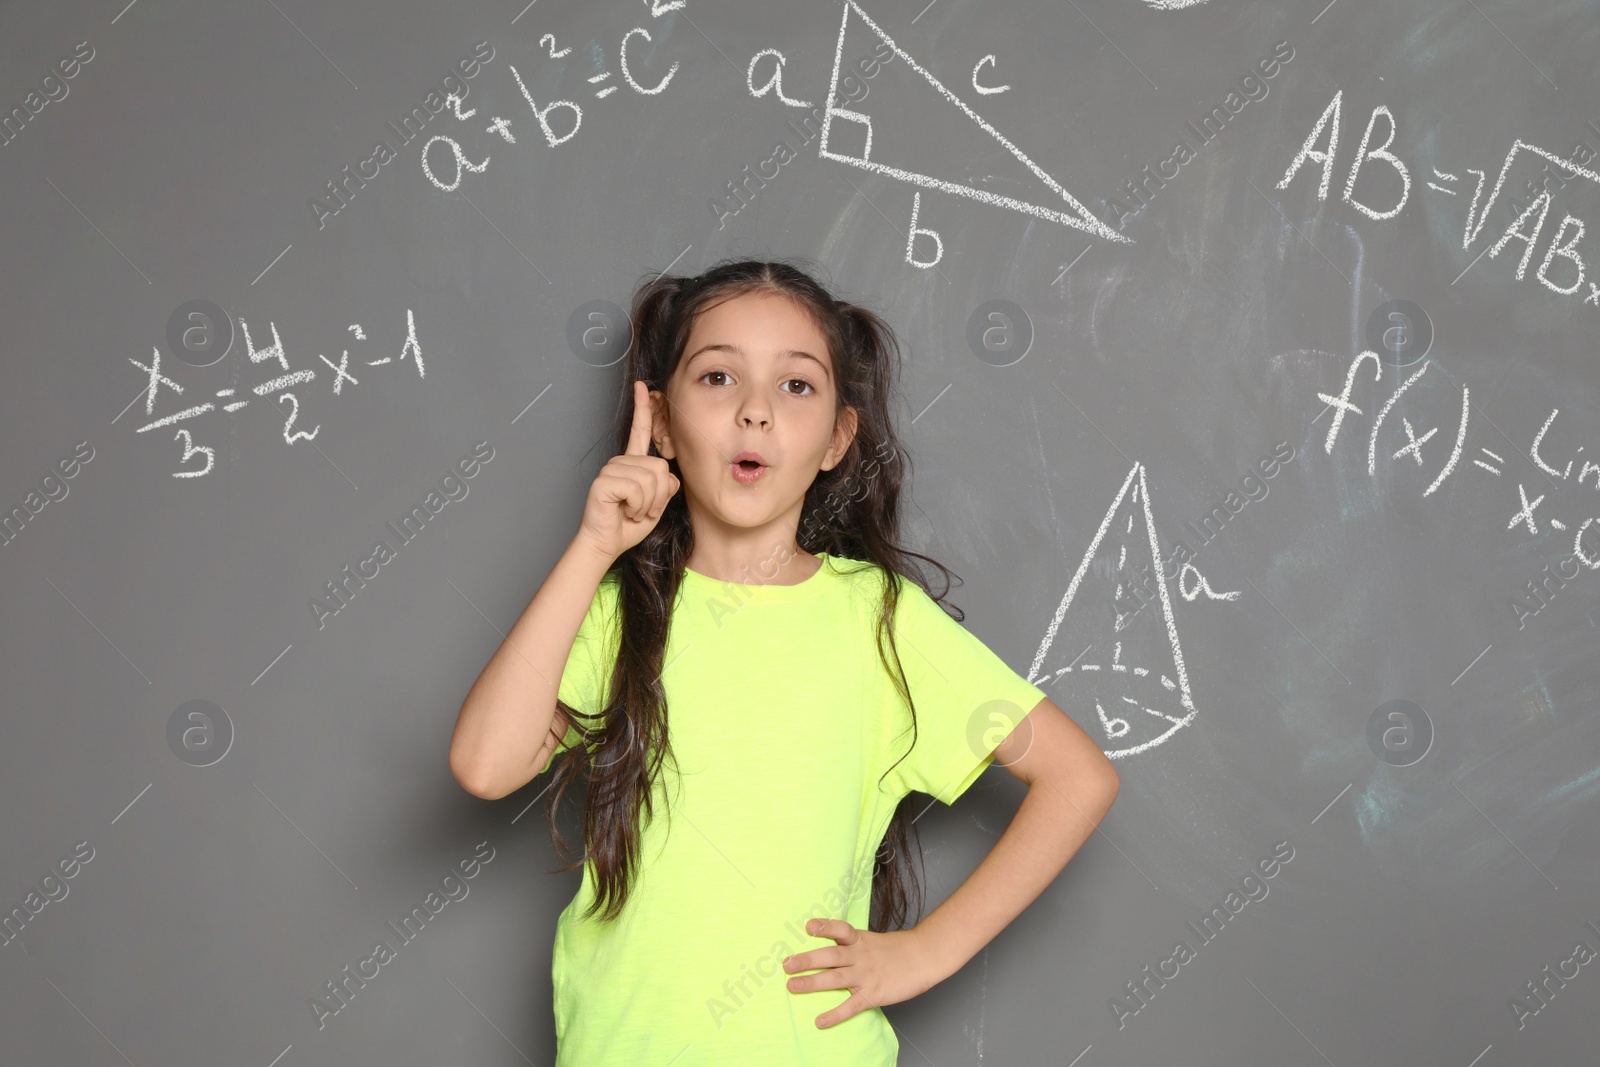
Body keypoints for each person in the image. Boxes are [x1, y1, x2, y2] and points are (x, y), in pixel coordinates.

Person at [449, 258, 1121, 1065]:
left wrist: (926, 952)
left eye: (796, 386)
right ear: (660, 420)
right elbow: (486, 765)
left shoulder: (878, 618)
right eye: (719, 376)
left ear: (839, 436)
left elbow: (1079, 777)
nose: (756, 412)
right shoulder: (618, 612)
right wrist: (595, 546)